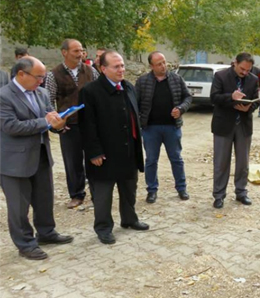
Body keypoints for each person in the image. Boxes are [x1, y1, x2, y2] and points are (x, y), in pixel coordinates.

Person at [0, 57, 74, 260]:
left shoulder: (40, 93)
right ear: (21, 74)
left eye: (43, 76)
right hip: (14, 162)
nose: (42, 81)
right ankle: (25, 243)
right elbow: (11, 126)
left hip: (40, 155)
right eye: (38, 77)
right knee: (19, 207)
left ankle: (47, 233)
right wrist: (45, 122)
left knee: (44, 199)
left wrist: (59, 125)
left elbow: (50, 117)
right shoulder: (4, 96)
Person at [78, 50, 149, 245]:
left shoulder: (128, 87)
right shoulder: (90, 91)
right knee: (103, 194)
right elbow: (87, 125)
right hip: (104, 154)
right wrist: (94, 152)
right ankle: (103, 227)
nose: (121, 70)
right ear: (103, 69)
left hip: (128, 151)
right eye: (116, 66)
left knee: (129, 190)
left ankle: (129, 219)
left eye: (123, 65)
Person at [46, 39, 100, 209]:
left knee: (95, 158)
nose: (80, 54)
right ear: (64, 52)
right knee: (72, 161)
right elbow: (48, 101)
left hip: (91, 124)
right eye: (75, 51)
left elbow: (100, 94)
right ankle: (76, 195)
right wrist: (57, 122)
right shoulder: (53, 74)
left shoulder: (91, 71)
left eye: (81, 50)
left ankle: (97, 193)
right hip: (69, 126)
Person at [136, 51, 192, 204]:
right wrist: (140, 120)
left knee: (176, 159)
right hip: (150, 128)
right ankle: (152, 190)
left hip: (172, 128)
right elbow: (135, 103)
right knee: (151, 161)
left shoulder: (176, 78)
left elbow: (188, 97)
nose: (163, 66)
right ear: (151, 66)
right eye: (159, 64)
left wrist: (181, 109)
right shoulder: (142, 81)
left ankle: (181, 188)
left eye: (164, 62)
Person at [210, 52, 260, 209]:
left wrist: (249, 108)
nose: (245, 73)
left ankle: (241, 192)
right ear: (235, 63)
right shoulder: (221, 76)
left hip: (243, 126)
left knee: (243, 163)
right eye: (242, 69)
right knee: (221, 163)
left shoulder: (254, 79)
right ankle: (219, 195)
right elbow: (214, 98)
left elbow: (257, 100)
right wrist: (231, 97)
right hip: (223, 126)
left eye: (248, 70)